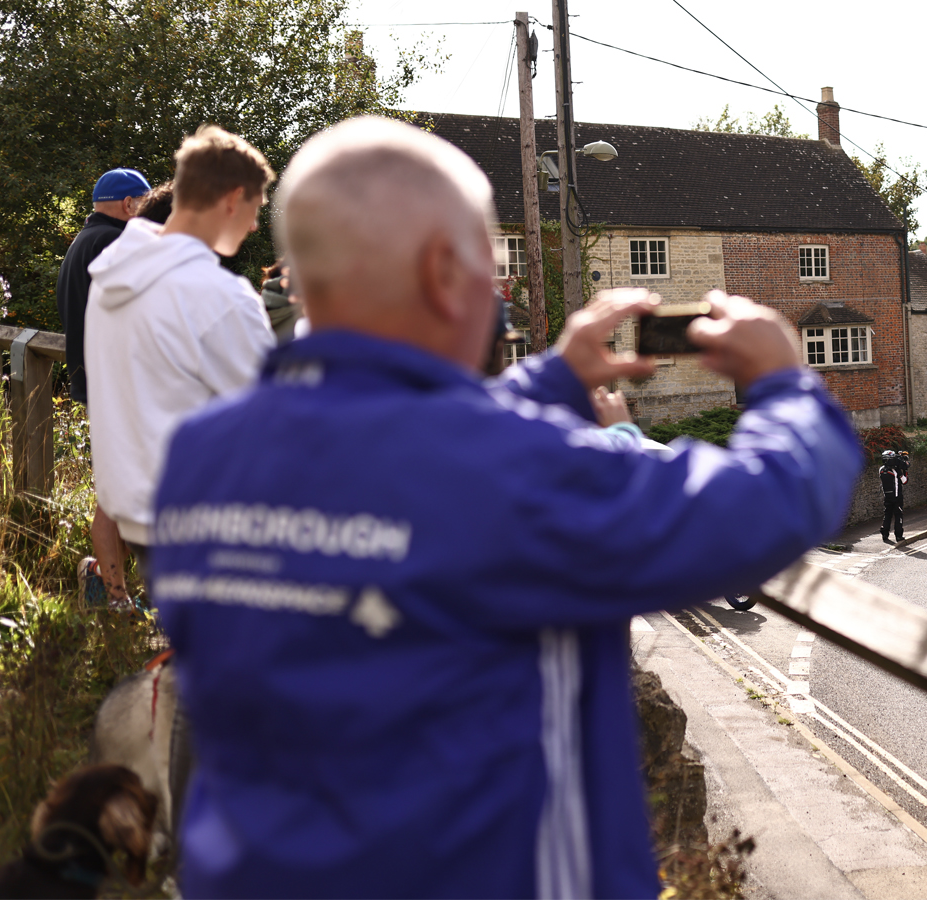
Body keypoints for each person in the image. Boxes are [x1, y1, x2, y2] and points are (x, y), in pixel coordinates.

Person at [147, 116, 860, 897]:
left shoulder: (200, 454)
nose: (500, 290)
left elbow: (405, 442)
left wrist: (550, 379)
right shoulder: (512, 475)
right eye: (492, 265)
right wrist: (785, 381)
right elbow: (776, 499)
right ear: (442, 268)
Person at [85, 127, 277, 566]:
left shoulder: (110, 277)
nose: (252, 225)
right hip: (202, 520)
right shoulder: (220, 297)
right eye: (254, 209)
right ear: (232, 198)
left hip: (134, 512)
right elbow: (272, 421)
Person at [58, 167, 151, 609]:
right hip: (117, 384)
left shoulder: (80, 243)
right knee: (120, 495)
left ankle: (102, 578)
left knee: (122, 490)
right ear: (129, 204)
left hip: (92, 381)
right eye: (146, 206)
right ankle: (114, 596)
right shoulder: (114, 244)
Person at [880, 449, 907, 543]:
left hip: (887, 496)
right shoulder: (896, 472)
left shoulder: (881, 470)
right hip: (897, 497)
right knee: (898, 516)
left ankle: (884, 534)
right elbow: (905, 481)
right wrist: (904, 470)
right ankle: (899, 536)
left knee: (887, 515)